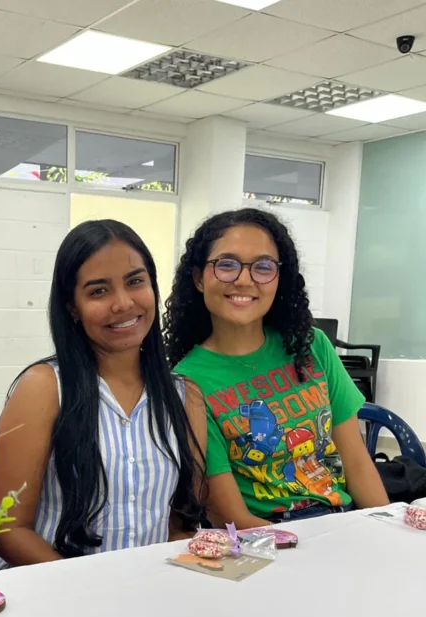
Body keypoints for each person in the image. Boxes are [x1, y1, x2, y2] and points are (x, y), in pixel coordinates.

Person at [0, 219, 207, 570]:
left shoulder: (185, 396)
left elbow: (180, 524)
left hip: (140, 587)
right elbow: (8, 531)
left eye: (135, 282)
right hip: (49, 586)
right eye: (99, 291)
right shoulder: (44, 387)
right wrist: (92, 589)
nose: (123, 303)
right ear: (72, 307)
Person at [164, 208, 388, 528]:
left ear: (279, 278)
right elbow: (229, 515)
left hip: (342, 521)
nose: (244, 280)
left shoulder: (311, 346)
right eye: (227, 264)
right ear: (199, 278)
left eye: (263, 266)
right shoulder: (188, 381)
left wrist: (385, 527)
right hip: (268, 534)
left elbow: (357, 462)